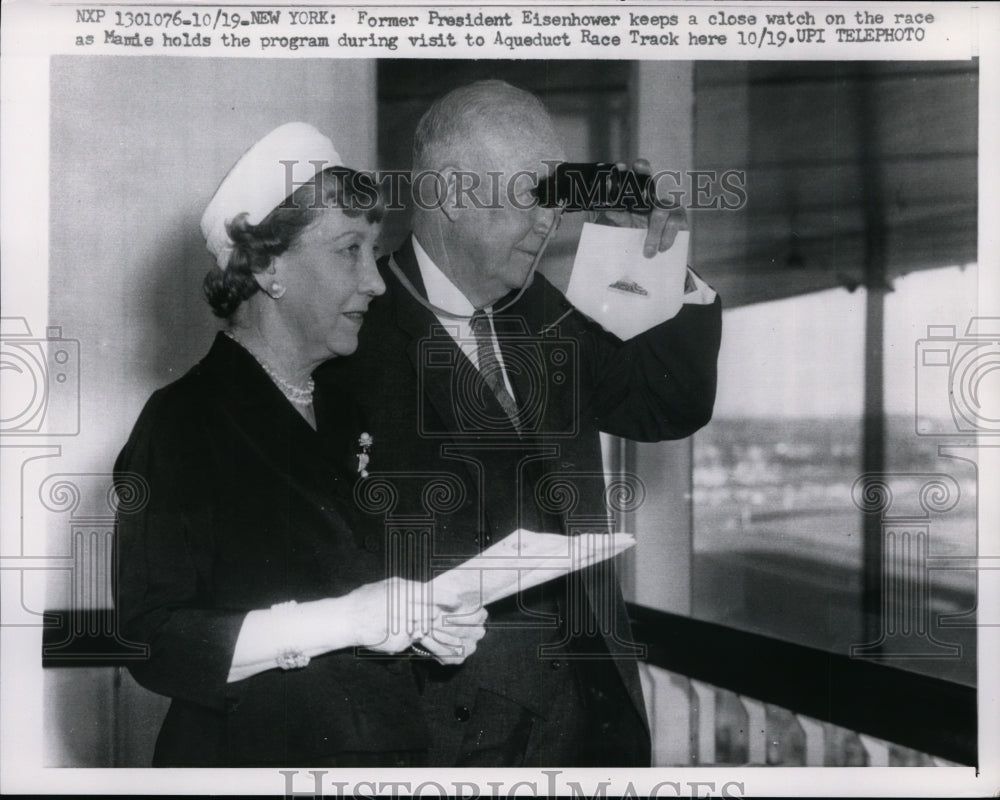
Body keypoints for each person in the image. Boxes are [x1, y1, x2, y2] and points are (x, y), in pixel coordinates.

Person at [318, 80, 722, 766]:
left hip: (588, 723)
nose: (550, 222)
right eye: (530, 196)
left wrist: (666, 268)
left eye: (555, 198)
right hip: (440, 740)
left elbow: (666, 404)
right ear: (448, 194)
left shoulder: (544, 310)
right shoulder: (352, 335)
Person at [113, 122, 486, 767]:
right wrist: (345, 622)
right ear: (266, 266)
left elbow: (374, 588)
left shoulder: (353, 408)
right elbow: (151, 640)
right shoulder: (182, 422)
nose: (375, 281)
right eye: (350, 250)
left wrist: (429, 625)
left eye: (373, 252)